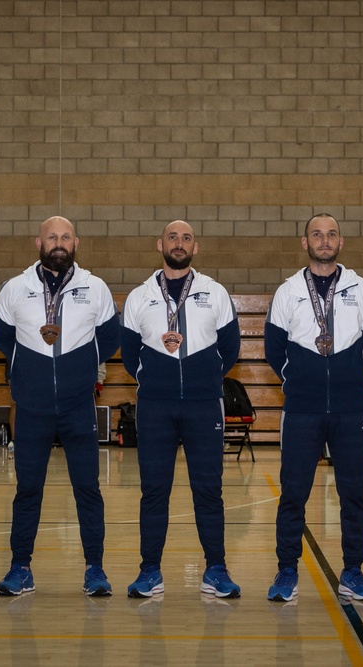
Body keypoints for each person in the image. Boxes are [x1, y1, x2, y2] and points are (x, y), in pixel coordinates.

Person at [0, 216, 119, 597]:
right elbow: (2, 338)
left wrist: (77, 373)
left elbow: (109, 339)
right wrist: (29, 372)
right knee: (28, 489)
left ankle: (95, 568)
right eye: (52, 237)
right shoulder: (15, 288)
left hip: (78, 406)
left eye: (65, 237)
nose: (59, 243)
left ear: (76, 242)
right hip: (32, 407)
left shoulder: (95, 288)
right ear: (38, 242)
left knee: (88, 489)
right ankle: (20, 568)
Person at [264, 214, 363, 602]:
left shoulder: (361, 288)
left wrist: (354, 370)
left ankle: (353, 571)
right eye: (317, 234)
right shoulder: (288, 291)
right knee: (293, 493)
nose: (324, 240)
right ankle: (287, 571)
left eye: (331, 234)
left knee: (353, 493)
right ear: (305, 243)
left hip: (350, 408)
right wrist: (297, 377)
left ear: (341, 241)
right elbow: (273, 347)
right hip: (301, 408)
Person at [121, 220, 242, 598]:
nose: (179, 243)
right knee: (154, 492)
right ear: (160, 243)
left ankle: (216, 569)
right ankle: (150, 572)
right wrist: (157, 378)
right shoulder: (139, 296)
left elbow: (231, 348)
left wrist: (202, 378)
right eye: (173, 237)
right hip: (155, 407)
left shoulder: (215, 292)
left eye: (186, 238)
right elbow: (128, 356)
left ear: (196, 247)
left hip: (204, 407)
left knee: (209, 491)